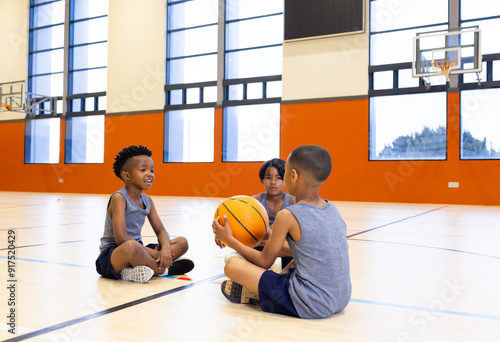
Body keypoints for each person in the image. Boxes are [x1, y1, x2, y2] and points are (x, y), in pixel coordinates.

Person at [212, 145, 351, 318]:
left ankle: (258, 295)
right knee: (295, 263)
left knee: (232, 264)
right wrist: (267, 241)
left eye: (284, 172)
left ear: (293, 176)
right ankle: (265, 290)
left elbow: (263, 262)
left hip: (312, 304)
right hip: (341, 298)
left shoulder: (287, 215)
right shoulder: (333, 210)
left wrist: (230, 240)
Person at [96, 145, 194, 284]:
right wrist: (155, 254)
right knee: (131, 247)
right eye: (143, 170)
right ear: (126, 175)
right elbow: (121, 239)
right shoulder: (119, 198)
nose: (150, 174)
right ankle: (163, 270)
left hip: (140, 250)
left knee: (182, 242)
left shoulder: (147, 201)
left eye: (152, 170)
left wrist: (165, 250)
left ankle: (134, 270)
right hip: (114, 254)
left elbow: (161, 232)